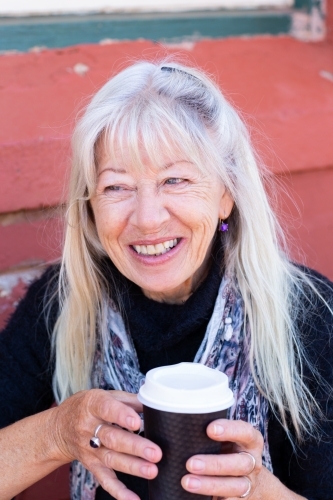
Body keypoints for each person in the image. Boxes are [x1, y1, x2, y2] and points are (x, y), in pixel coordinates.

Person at [0, 60, 332, 500]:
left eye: (175, 180)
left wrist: (257, 489)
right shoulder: (63, 303)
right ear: (91, 207)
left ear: (225, 195)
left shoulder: (306, 315)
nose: (148, 218)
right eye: (116, 187)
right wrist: (57, 433)